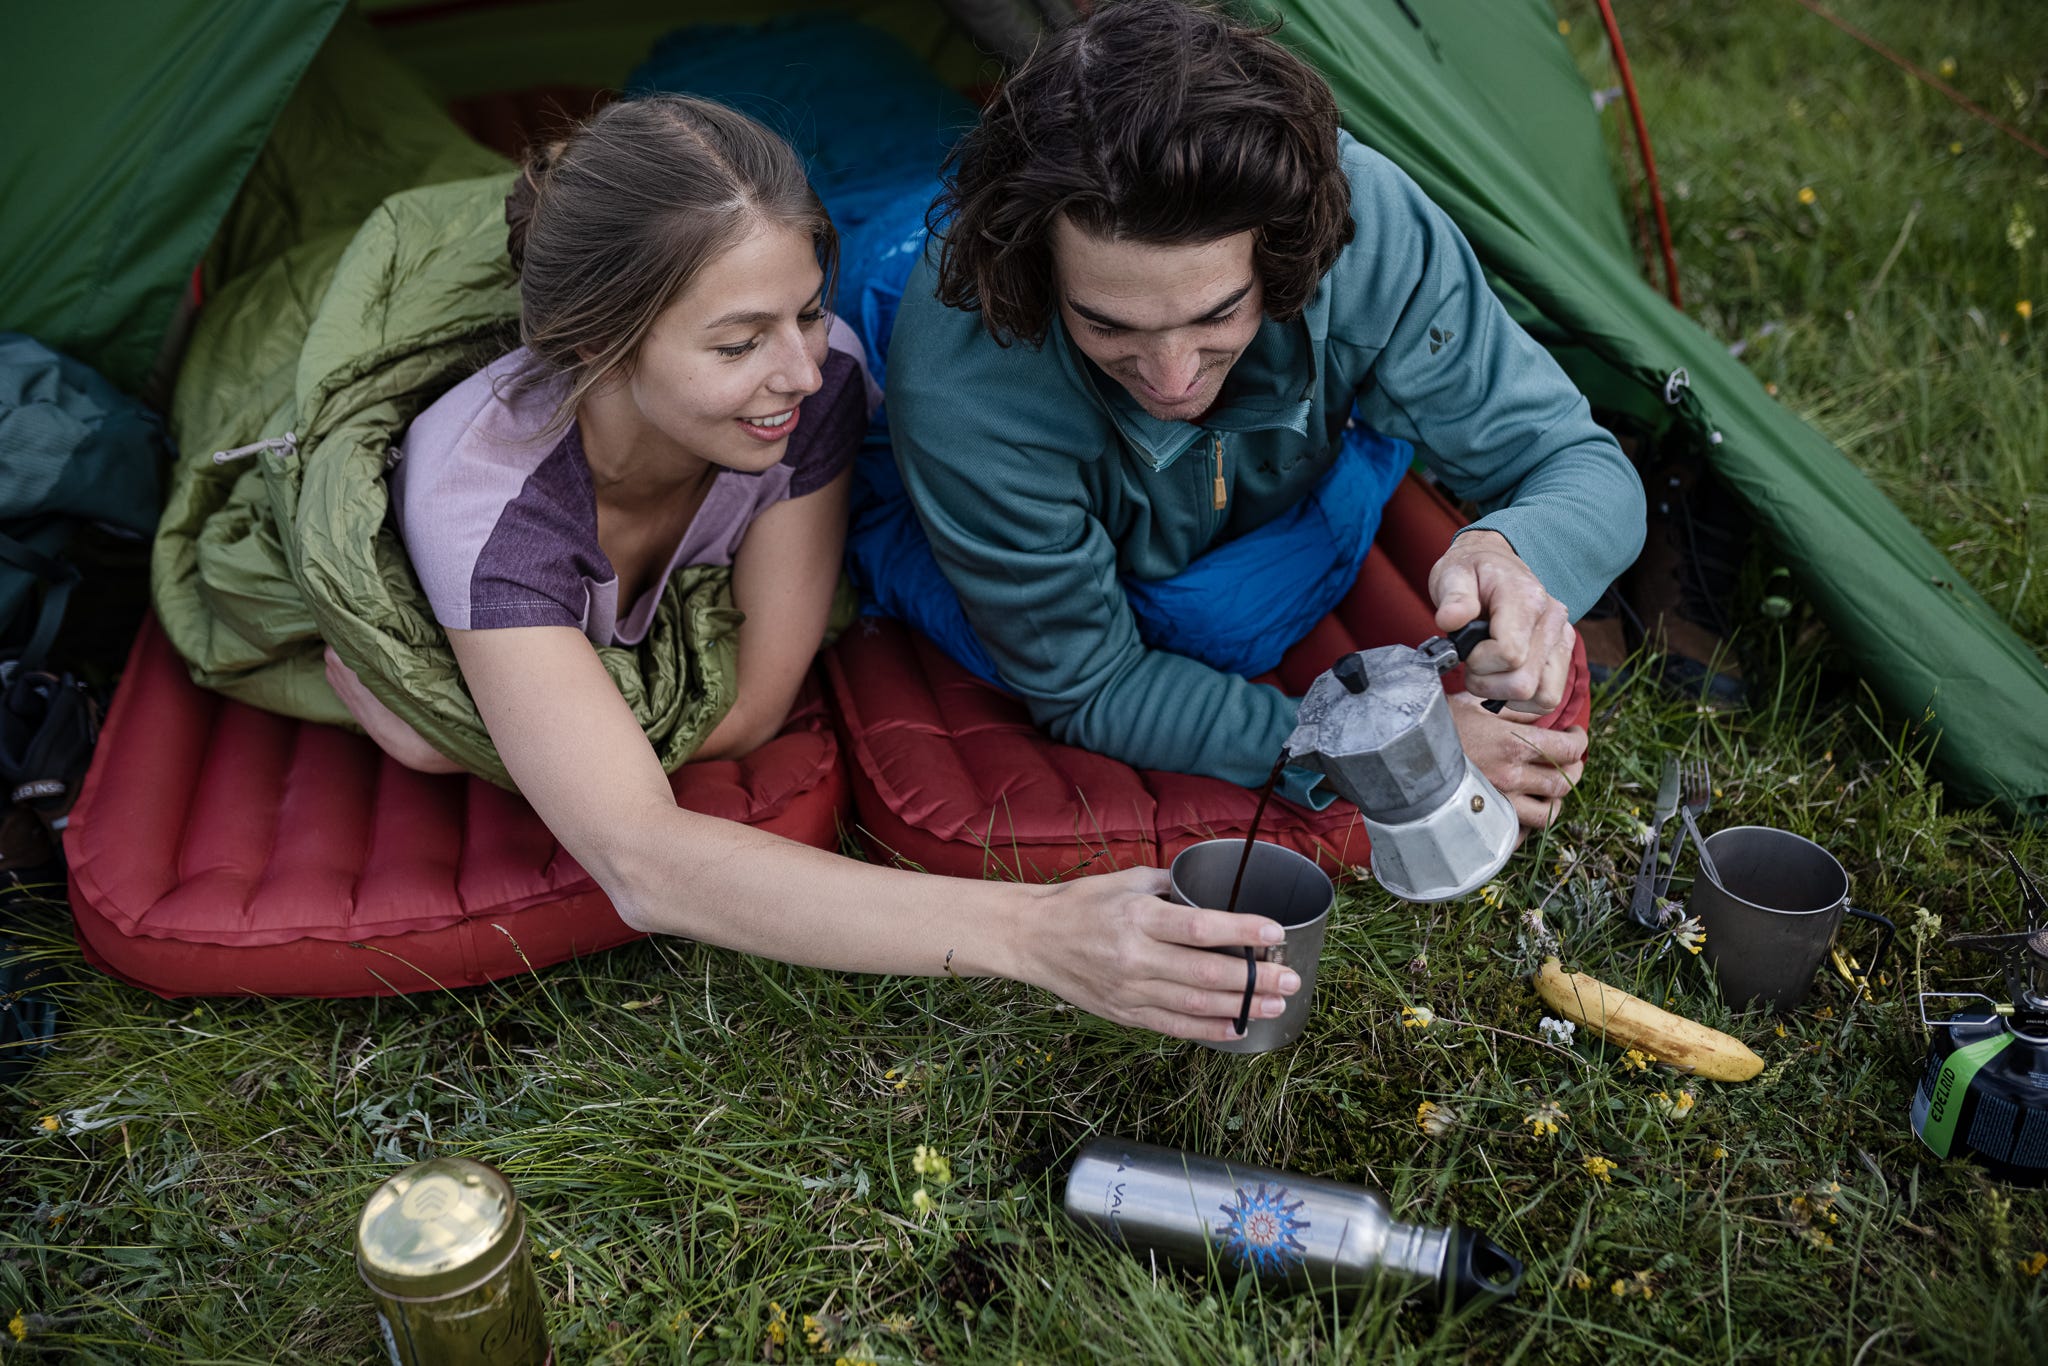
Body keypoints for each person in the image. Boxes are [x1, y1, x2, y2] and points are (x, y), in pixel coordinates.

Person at [321, 94, 1296, 1044]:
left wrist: (454, 739)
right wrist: (1037, 934)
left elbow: (750, 702)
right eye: (739, 342)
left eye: (806, 311)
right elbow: (643, 861)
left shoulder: (813, 382)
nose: (799, 367)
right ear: (598, 345)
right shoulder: (495, 513)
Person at [881, 0, 1647, 830]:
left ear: (1281, 255)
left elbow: (1578, 462)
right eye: (1107, 323)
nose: (1172, 381)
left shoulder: (1368, 232)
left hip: (1278, 484)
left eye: (1218, 314)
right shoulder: (964, 370)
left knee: (1234, 598)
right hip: (896, 280)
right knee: (1200, 619)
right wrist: (1372, 748)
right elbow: (1092, 684)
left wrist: (1517, 553)